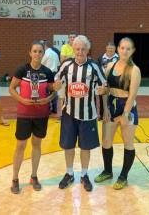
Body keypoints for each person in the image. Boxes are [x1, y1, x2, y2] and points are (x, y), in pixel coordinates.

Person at [54, 35, 108, 192]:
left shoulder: (95, 66)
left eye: (83, 49)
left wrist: (104, 95)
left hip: (88, 114)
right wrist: (55, 86)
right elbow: (57, 81)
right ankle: (69, 173)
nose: (80, 52)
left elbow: (104, 86)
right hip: (69, 113)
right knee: (68, 146)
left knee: (86, 147)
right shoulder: (66, 65)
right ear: (73, 49)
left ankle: (84, 175)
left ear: (88, 50)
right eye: (77, 49)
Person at [94, 37, 141, 190]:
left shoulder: (134, 70)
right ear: (118, 49)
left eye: (128, 48)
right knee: (106, 142)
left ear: (132, 51)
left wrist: (125, 114)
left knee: (128, 143)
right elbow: (106, 89)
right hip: (111, 106)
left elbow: (132, 94)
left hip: (127, 108)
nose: (125, 51)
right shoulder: (109, 66)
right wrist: (105, 109)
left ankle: (123, 176)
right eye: (122, 48)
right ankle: (108, 171)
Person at [9, 41, 55, 194]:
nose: (37, 54)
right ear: (30, 53)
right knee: (20, 145)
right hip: (24, 114)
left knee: (37, 144)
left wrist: (48, 99)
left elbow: (53, 91)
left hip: (41, 114)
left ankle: (34, 176)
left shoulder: (48, 72)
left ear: (43, 54)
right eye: (34, 51)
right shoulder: (22, 69)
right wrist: (21, 100)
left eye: (40, 51)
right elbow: (11, 88)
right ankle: (15, 179)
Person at [41, 40, 60, 114]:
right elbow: (58, 64)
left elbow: (41, 62)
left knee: (46, 92)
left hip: (47, 73)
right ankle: (55, 108)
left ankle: (48, 109)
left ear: (45, 46)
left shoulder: (46, 53)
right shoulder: (55, 53)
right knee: (54, 91)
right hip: (54, 73)